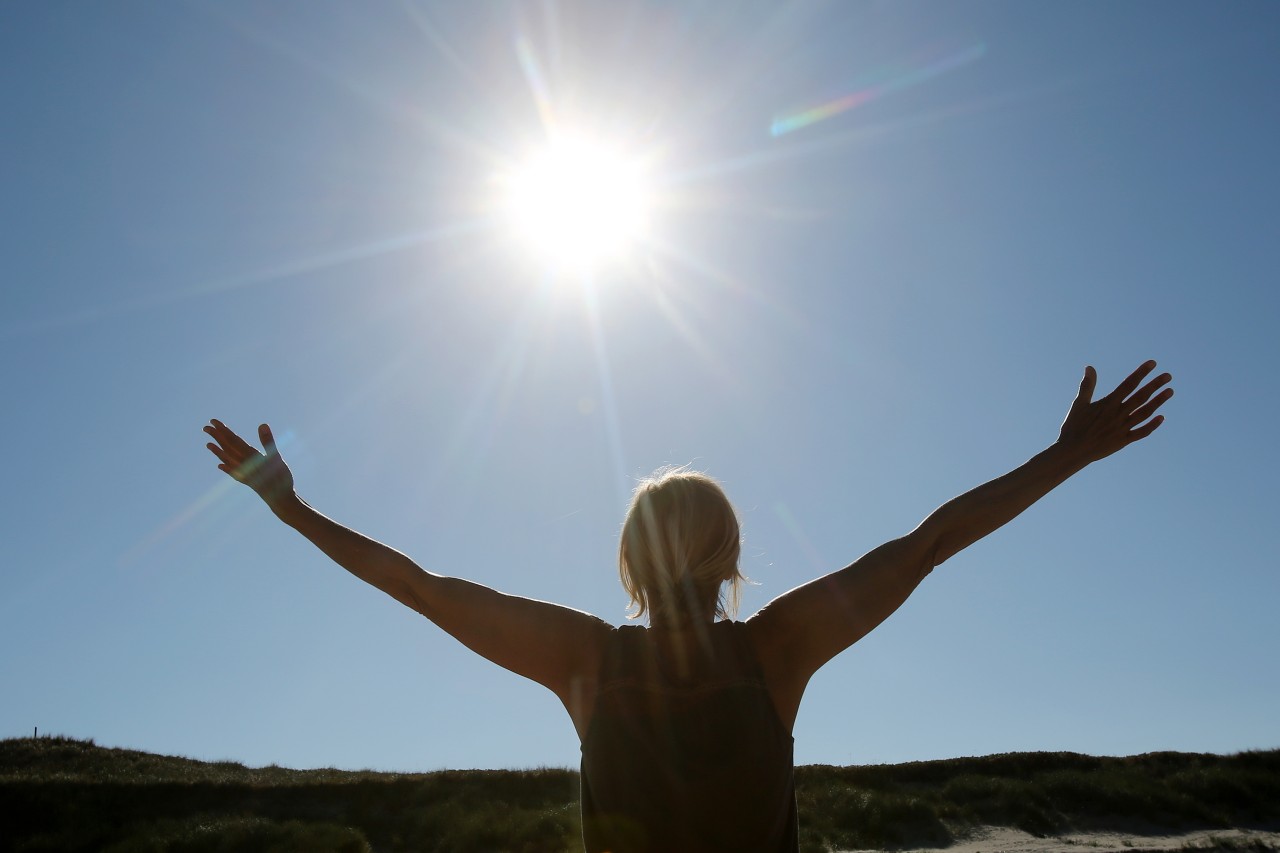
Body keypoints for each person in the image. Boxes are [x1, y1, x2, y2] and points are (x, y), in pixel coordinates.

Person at [204, 360, 1173, 853]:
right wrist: (1065, 456)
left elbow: (415, 585)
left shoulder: (583, 659)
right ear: (731, 557)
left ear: (625, 562)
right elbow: (929, 543)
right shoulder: (777, 648)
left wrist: (290, 507)